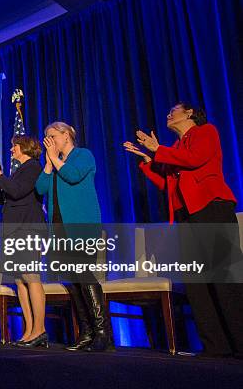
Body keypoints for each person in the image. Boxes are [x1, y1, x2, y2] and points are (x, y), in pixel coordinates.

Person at [124, 102, 242, 358]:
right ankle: (215, 347)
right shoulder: (174, 148)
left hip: (211, 208)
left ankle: (239, 343)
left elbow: (196, 159)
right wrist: (148, 160)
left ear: (189, 114)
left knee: (224, 278)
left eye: (174, 110)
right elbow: (167, 185)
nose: (169, 113)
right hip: (186, 215)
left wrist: (158, 150)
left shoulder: (206, 132)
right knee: (196, 283)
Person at [36, 122, 114, 351]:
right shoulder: (55, 163)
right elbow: (41, 188)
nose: (48, 141)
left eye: (52, 136)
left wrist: (56, 160)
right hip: (60, 227)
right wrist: (49, 163)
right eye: (46, 138)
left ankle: (103, 333)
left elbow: (73, 175)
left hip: (82, 224)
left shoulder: (83, 155)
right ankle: (87, 333)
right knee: (74, 279)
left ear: (66, 135)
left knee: (85, 273)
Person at [0, 135, 47, 348]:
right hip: (14, 229)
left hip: (28, 227)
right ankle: (29, 329)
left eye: (14, 146)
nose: (11, 150)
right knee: (19, 280)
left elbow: (16, 191)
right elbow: (3, 198)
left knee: (31, 276)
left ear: (25, 147)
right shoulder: (20, 170)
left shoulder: (33, 167)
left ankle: (40, 329)